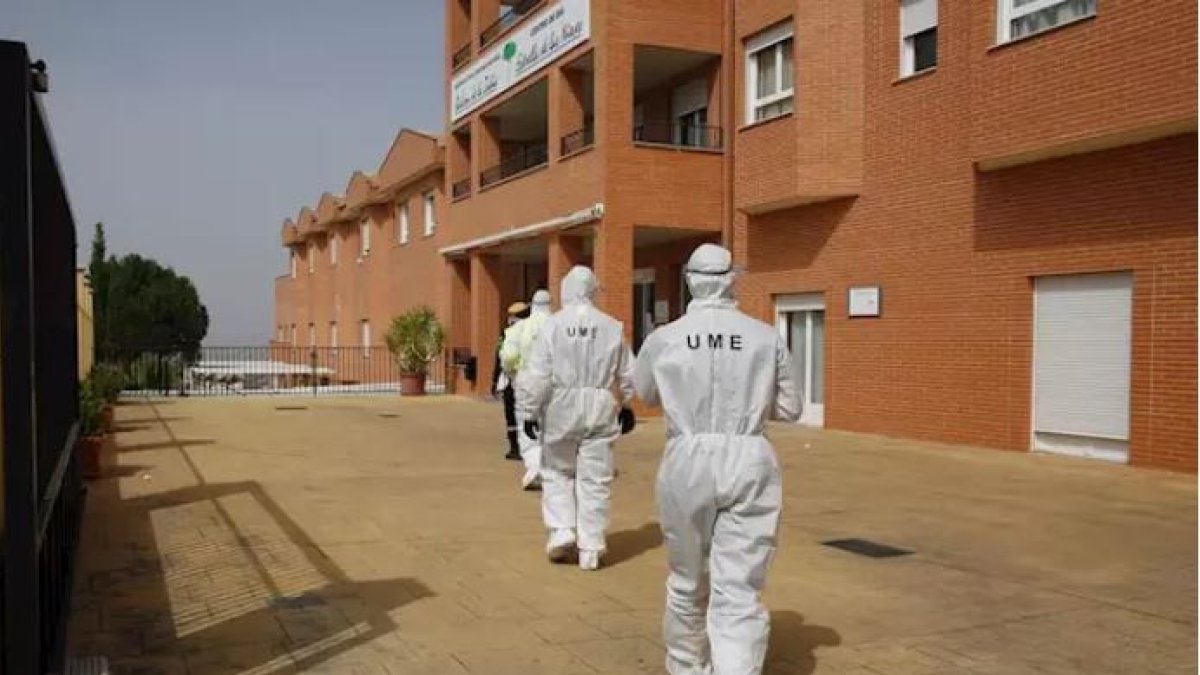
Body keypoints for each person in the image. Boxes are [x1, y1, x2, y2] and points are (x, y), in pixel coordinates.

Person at [633, 243, 801, 675]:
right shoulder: (765, 336)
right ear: (731, 279)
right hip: (749, 457)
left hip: (687, 457)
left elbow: (646, 394)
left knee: (687, 580)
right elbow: (791, 407)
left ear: (690, 279)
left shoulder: (664, 337)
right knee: (739, 588)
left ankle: (688, 667)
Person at [517, 266, 636, 571]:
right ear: (594, 290)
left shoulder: (553, 326)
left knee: (557, 471)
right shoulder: (612, 326)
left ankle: (562, 531)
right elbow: (627, 374)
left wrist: (530, 410)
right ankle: (592, 547)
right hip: (600, 405)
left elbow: (538, 374)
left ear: (566, 290)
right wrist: (627, 405)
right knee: (596, 479)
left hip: (561, 406)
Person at [501, 289, 552, 490]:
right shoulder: (560, 325)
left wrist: (512, 372)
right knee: (552, 426)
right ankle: (554, 468)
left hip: (528, 381)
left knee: (527, 427)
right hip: (557, 383)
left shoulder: (520, 328)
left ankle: (535, 467)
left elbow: (509, 356)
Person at [492, 301, 529, 461]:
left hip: (512, 378)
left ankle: (515, 447)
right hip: (530, 379)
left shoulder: (508, 332)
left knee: (512, 413)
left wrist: (494, 380)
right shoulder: (533, 329)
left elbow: (500, 356)